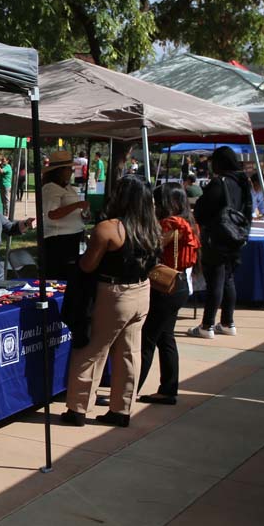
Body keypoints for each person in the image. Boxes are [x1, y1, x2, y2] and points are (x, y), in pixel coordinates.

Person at [61, 177, 161, 428]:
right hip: (142, 291)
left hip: (115, 293)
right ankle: (121, 409)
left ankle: (78, 408)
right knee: (130, 352)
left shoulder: (109, 228)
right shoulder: (151, 226)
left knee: (92, 351)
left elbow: (87, 265)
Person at [137, 183, 197, 405]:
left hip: (165, 285)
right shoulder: (188, 222)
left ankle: (128, 390)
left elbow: (151, 246)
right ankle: (168, 388)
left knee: (147, 340)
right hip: (180, 283)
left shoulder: (171, 224)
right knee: (165, 338)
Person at [190, 147, 252, 339]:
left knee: (215, 280)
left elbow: (202, 210)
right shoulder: (242, 183)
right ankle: (227, 322)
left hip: (217, 238)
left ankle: (207, 325)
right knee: (228, 279)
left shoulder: (219, 183)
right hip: (236, 236)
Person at [40, 150, 89, 280]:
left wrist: (82, 214)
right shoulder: (50, 188)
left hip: (72, 237)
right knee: (60, 276)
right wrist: (77, 205)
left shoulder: (67, 187)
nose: (72, 171)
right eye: (69, 168)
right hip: (59, 240)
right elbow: (52, 214)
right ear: (60, 170)